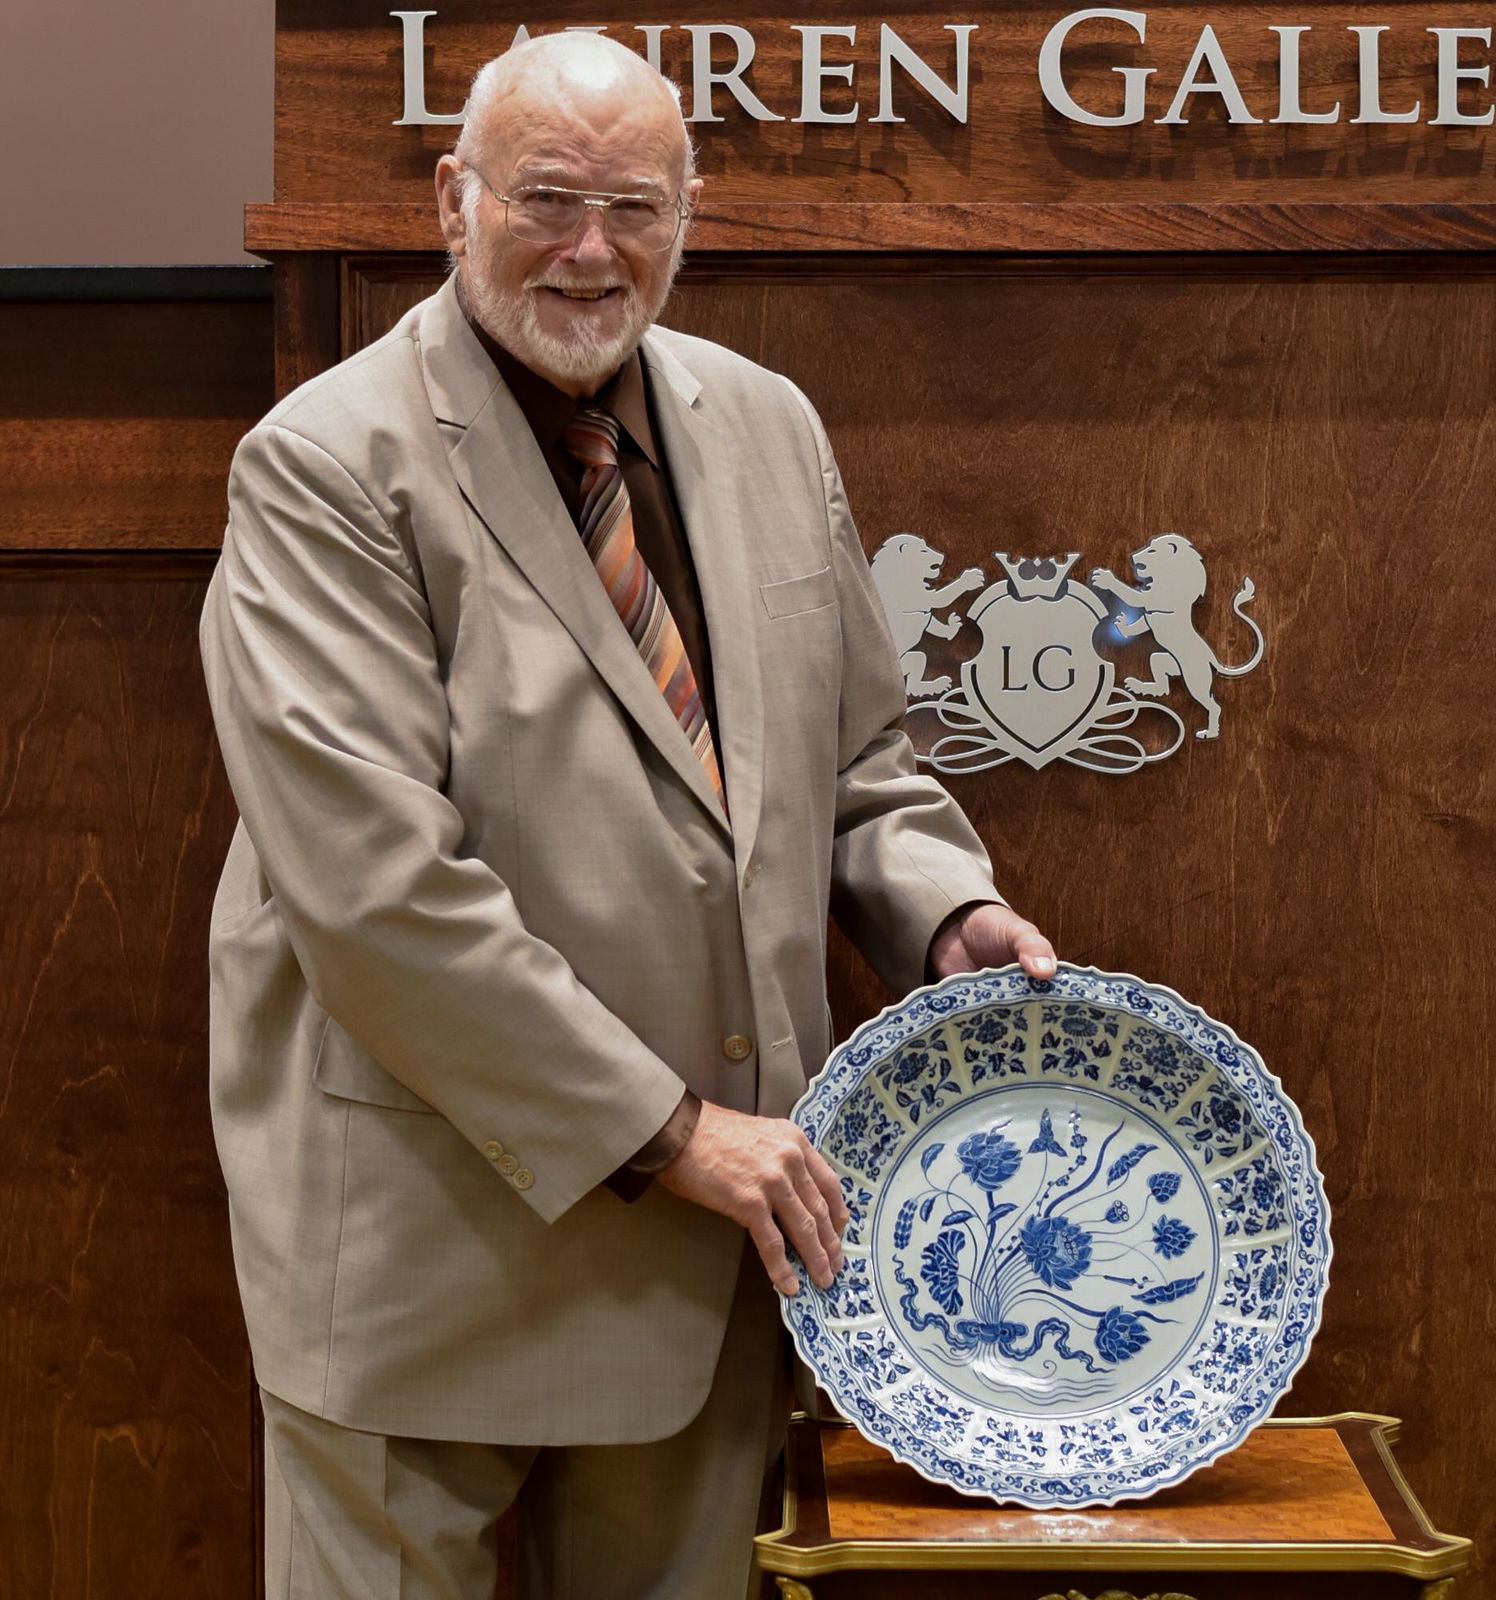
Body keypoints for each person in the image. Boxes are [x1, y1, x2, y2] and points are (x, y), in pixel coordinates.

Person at [200, 29, 1057, 1600]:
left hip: (712, 1267)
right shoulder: (323, 467)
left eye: (636, 207)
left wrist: (943, 910)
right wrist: (670, 1135)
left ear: (689, 213)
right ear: (452, 199)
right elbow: (378, 894)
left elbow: (856, 758)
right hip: (430, 1251)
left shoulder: (767, 426)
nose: (593, 251)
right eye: (546, 199)